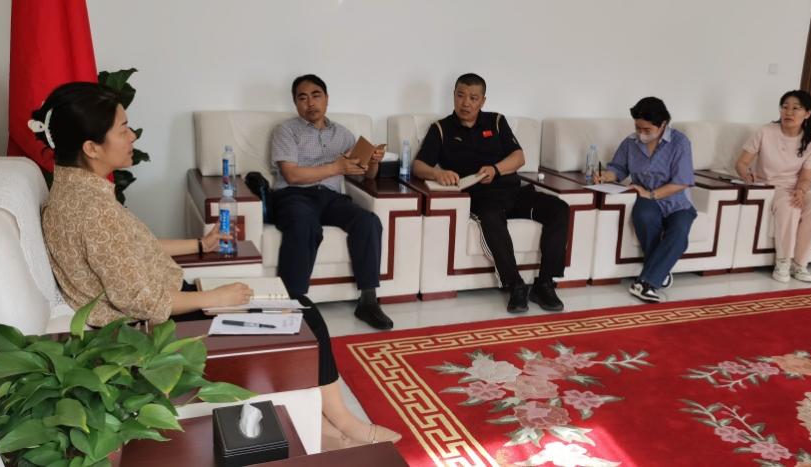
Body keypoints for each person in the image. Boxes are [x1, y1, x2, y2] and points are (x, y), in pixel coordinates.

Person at [34, 82, 400, 451]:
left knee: (297, 305)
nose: (132, 136)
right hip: (156, 330)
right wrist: (218, 297)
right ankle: (346, 425)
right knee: (304, 313)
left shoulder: (76, 193)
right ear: (91, 147)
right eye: (123, 129)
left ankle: (324, 424)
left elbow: (132, 247)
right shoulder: (93, 211)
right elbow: (143, 301)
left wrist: (199, 245)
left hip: (167, 306)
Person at [412, 73, 569, 313]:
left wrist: (496, 169)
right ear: (453, 96)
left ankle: (545, 284)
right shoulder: (441, 129)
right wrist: (437, 173)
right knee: (491, 216)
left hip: (514, 191)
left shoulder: (496, 121)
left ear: (483, 101)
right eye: (461, 96)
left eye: (473, 98)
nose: (466, 103)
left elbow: (519, 157)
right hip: (481, 198)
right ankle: (515, 284)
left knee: (559, 208)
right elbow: (418, 166)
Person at [270, 74, 393, 330]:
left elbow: (365, 175)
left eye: (316, 96)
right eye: (302, 98)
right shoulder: (286, 131)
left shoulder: (343, 134)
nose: (310, 103)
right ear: (295, 103)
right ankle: (292, 303)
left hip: (330, 197)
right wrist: (336, 167)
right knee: (304, 223)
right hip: (293, 195)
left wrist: (373, 161)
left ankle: (368, 301)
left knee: (368, 221)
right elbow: (291, 175)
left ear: (326, 99)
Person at [594, 97, 696, 303]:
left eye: (647, 129)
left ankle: (645, 282)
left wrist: (651, 194)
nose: (641, 133)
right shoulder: (630, 143)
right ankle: (655, 277)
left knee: (679, 231)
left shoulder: (680, 143)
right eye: (637, 128)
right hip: (645, 199)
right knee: (644, 216)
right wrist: (606, 176)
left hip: (676, 201)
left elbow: (682, 181)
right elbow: (618, 169)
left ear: (663, 125)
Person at [734, 90, 811, 283]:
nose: (788, 112)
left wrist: (800, 191)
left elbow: (806, 177)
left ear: (807, 114)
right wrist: (746, 174)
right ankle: (783, 262)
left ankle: (800, 264)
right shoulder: (765, 132)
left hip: (797, 187)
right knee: (790, 207)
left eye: (795, 108)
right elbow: (741, 163)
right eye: (785, 107)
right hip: (771, 187)